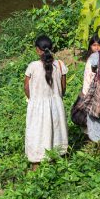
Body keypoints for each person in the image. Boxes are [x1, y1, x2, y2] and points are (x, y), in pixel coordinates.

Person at [24, 35, 68, 166]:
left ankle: (36, 164)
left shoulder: (33, 66)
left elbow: (26, 87)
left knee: (37, 133)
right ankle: (55, 160)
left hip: (37, 106)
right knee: (56, 131)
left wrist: (33, 100)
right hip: (56, 105)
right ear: (52, 48)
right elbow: (63, 88)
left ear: (37, 50)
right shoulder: (60, 65)